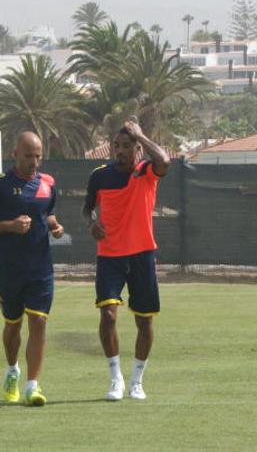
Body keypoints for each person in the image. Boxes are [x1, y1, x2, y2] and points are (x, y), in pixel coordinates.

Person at [82, 117, 170, 401]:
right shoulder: (99, 176)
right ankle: (115, 378)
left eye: (125, 146)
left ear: (137, 149)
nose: (119, 151)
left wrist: (141, 135)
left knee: (144, 322)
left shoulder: (146, 171)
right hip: (109, 256)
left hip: (142, 255)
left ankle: (137, 380)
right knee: (108, 315)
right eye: (116, 146)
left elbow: (165, 161)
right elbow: (87, 209)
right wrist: (91, 222)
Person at [0, 131, 65, 407]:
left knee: (38, 322)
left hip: (40, 269)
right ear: (15, 154)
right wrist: (10, 226)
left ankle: (32, 387)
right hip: (9, 269)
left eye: (38, 156)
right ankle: (13, 370)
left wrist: (55, 227)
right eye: (28, 155)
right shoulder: (0, 184)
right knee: (13, 325)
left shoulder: (47, 183)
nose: (34, 161)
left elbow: (47, 213)